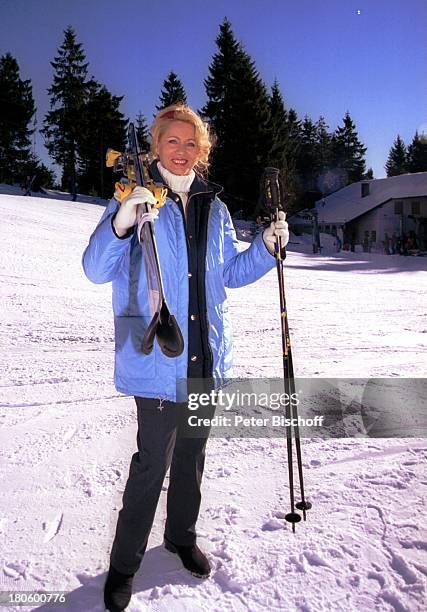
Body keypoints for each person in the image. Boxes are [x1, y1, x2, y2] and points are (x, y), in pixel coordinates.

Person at [82, 103, 288, 612]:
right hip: (157, 359)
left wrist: (265, 246)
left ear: (203, 151)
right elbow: (94, 268)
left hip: (206, 359)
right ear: (155, 146)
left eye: (191, 143)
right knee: (152, 465)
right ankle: (124, 566)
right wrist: (122, 222)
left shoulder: (213, 208)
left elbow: (228, 277)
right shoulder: (134, 195)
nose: (181, 151)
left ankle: (180, 536)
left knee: (193, 459)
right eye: (171, 141)